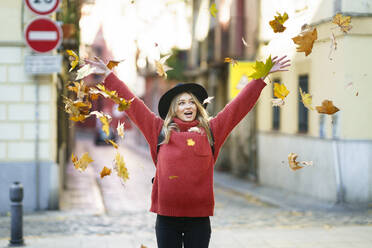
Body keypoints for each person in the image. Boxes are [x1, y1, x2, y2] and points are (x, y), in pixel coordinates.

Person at [86, 55, 290, 248]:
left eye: (192, 101)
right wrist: (109, 78)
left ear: (198, 106)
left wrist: (260, 77)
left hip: (199, 221)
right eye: (181, 102)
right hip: (166, 220)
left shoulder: (211, 132)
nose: (188, 106)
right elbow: (133, 105)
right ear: (174, 109)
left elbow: (237, 107)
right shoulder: (159, 131)